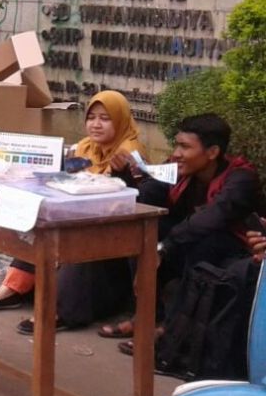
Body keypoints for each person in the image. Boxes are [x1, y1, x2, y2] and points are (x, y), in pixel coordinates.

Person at [0, 90, 148, 315]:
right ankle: (12, 288)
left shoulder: (130, 153)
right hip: (75, 215)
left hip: (110, 230)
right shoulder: (84, 147)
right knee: (37, 223)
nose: (96, 124)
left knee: (75, 236)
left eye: (105, 118)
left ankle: (60, 308)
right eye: (91, 118)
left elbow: (128, 197)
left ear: (120, 120)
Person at [108, 114, 265, 346]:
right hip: (187, 240)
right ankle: (146, 315)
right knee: (146, 232)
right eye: (177, 145)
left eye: (185, 147)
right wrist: (123, 175)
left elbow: (212, 218)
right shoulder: (178, 171)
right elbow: (145, 199)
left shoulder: (241, 179)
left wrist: (163, 248)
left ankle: (173, 330)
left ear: (212, 152)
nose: (177, 153)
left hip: (237, 248)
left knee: (204, 242)